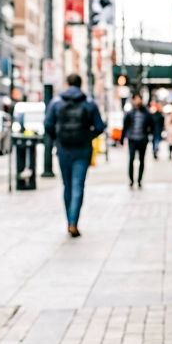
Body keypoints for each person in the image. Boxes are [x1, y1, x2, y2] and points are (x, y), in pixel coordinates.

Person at [43, 73, 105, 237]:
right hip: (82, 149)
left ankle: (69, 221)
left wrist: (57, 138)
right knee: (78, 185)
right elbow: (99, 126)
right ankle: (73, 222)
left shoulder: (56, 102)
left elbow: (48, 125)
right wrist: (87, 136)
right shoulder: (89, 103)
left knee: (67, 186)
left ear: (67, 83)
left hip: (64, 149)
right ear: (80, 83)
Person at [121, 94, 157, 188]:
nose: (137, 101)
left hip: (142, 140)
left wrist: (150, 135)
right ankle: (131, 180)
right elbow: (125, 126)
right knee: (131, 159)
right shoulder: (129, 113)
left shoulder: (146, 113)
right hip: (132, 140)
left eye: (139, 99)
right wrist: (122, 138)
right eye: (135, 99)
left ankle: (139, 180)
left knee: (141, 160)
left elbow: (152, 126)